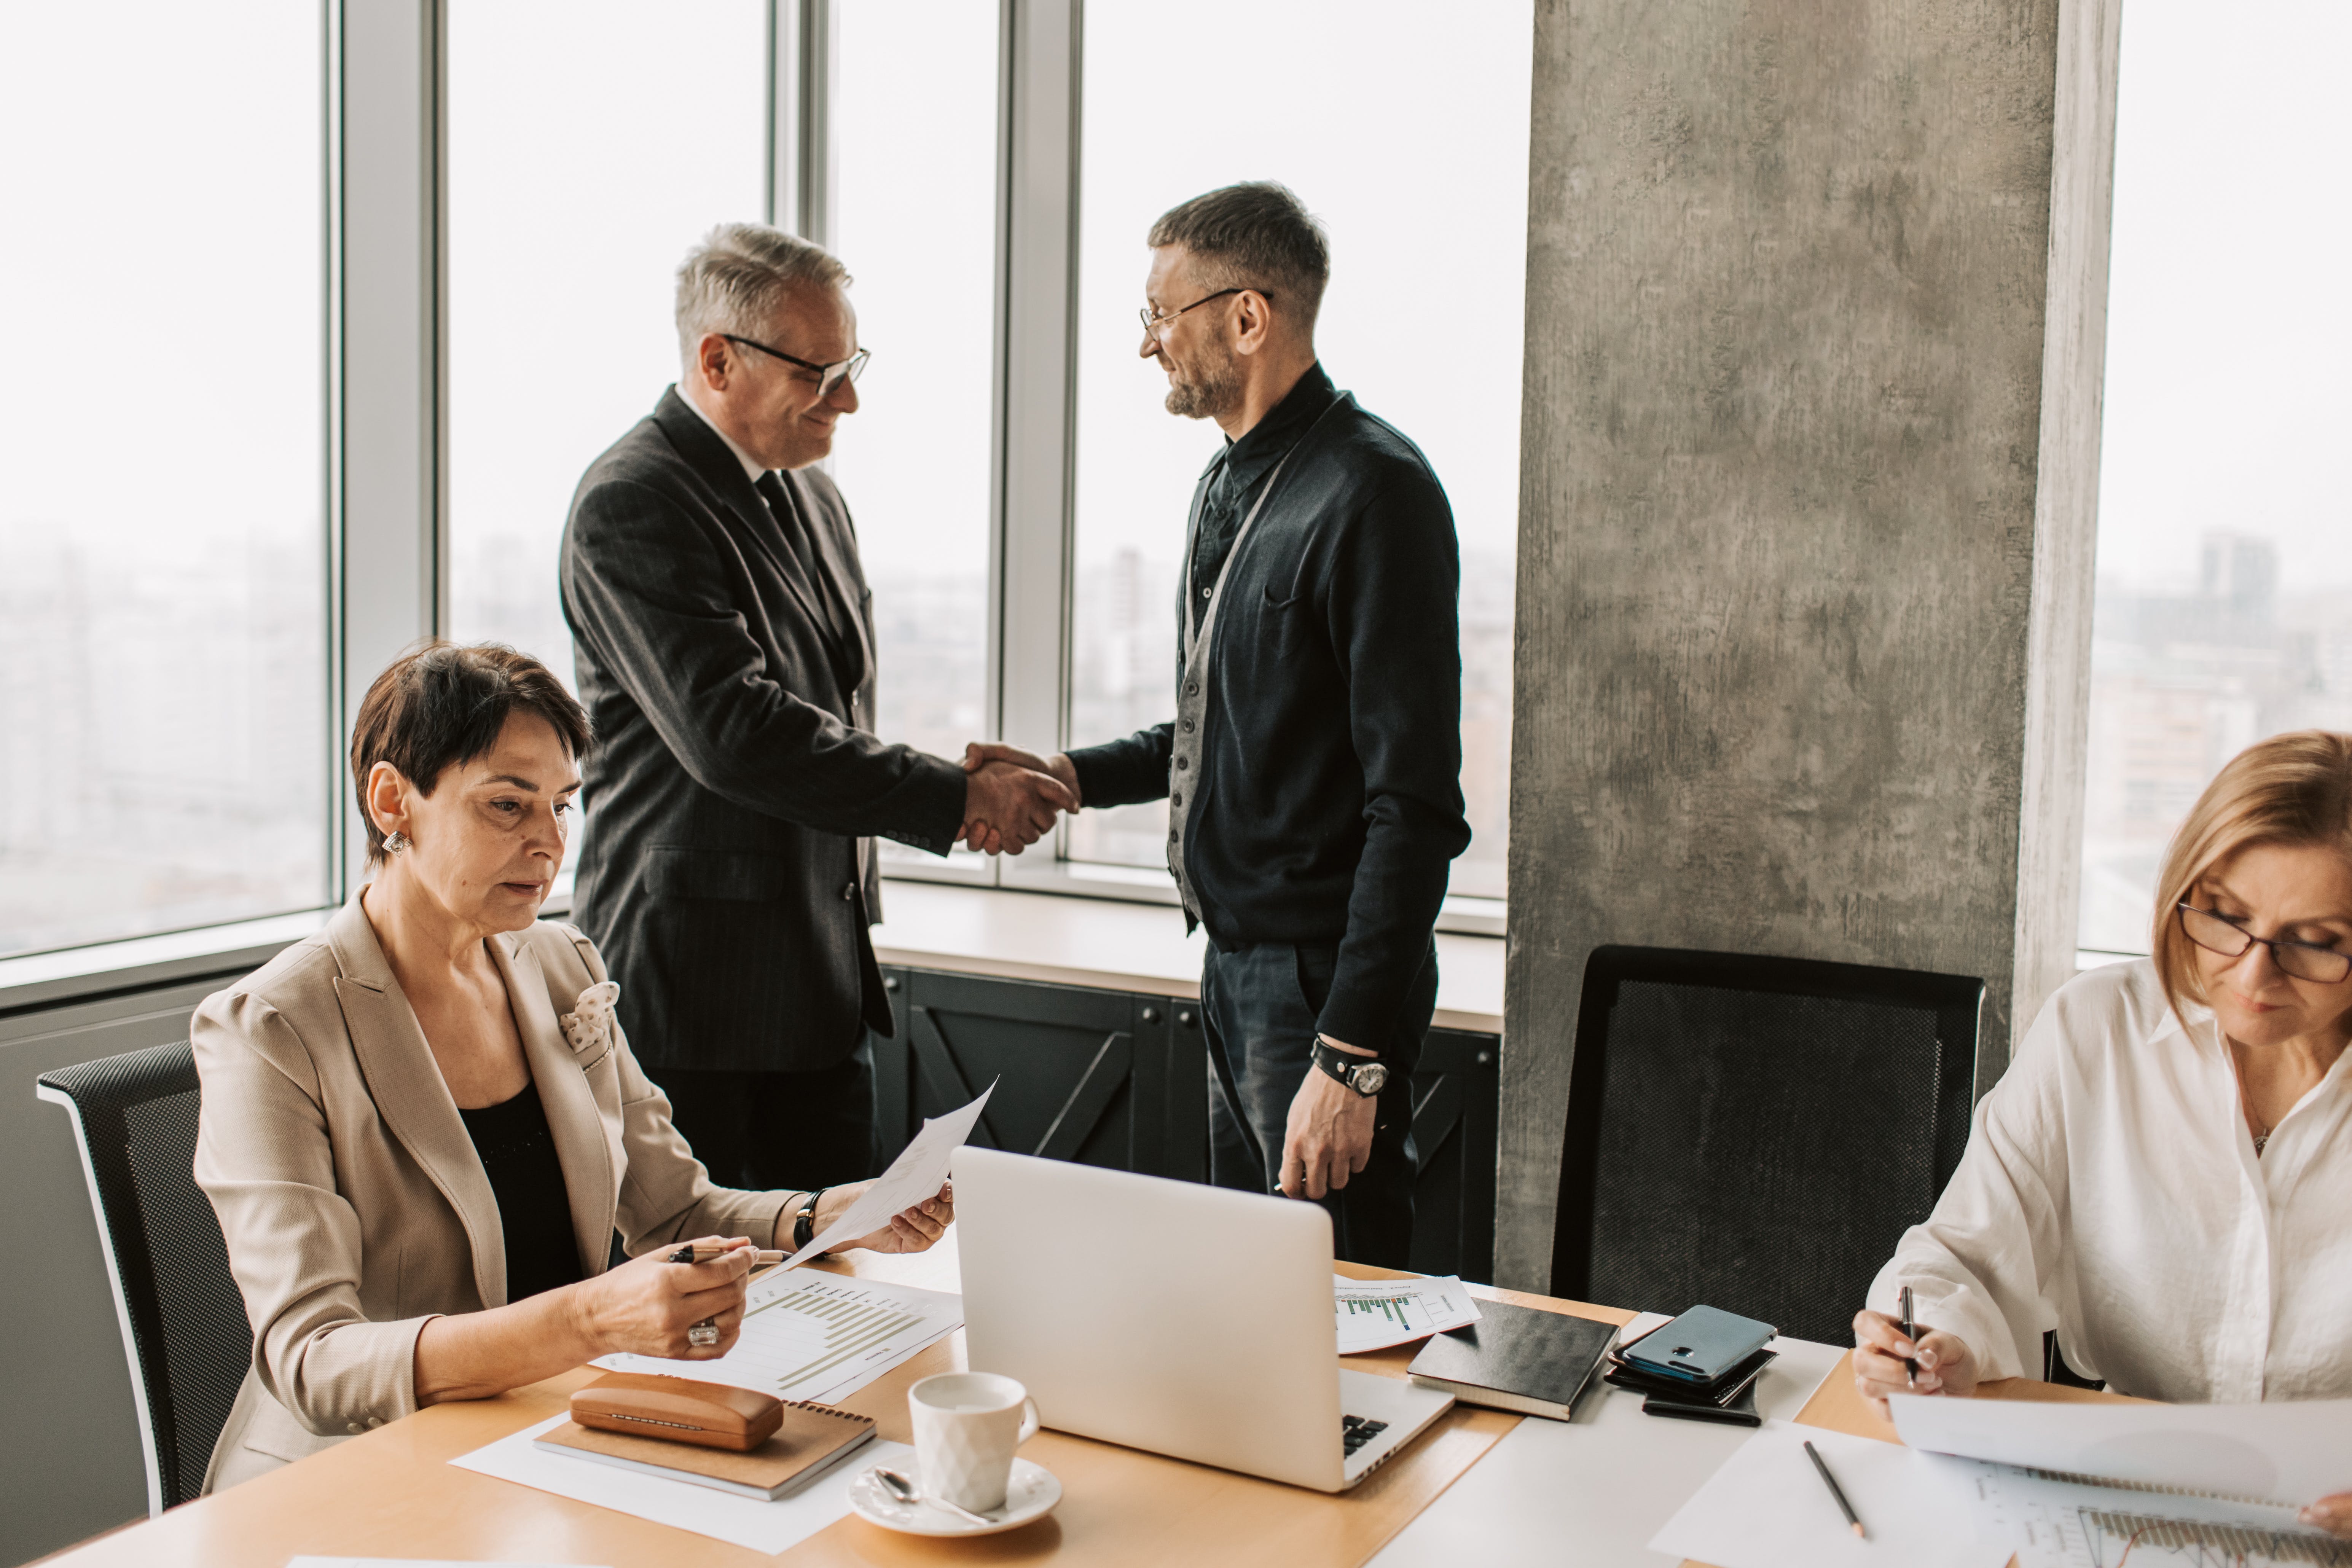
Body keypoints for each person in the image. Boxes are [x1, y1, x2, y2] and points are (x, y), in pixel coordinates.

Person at [190, 643, 953, 1493]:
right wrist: (590, 1318)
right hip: (360, 1477)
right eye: (508, 805)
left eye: (562, 805)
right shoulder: (271, 1025)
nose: (550, 842)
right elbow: (314, 1360)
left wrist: (822, 1216)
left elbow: (676, 1210)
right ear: (391, 800)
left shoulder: (561, 966)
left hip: (549, 1436)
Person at [968, 183, 1469, 1266]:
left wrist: (1351, 1057)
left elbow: (1415, 807)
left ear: (1247, 317)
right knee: (1255, 1299)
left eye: (1161, 314)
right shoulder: (1225, 485)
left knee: (1342, 1311)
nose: (1148, 345)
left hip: (1319, 992)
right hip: (1233, 973)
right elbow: (1217, 727)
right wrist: (1068, 774)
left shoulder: (1375, 493)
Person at [561, 223, 1073, 1192]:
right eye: (822, 370)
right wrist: (952, 795)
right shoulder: (631, 501)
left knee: (842, 1279)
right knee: (713, 1319)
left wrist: (970, 784)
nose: (850, 397)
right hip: (696, 1011)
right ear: (717, 360)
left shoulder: (815, 498)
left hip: (823, 989)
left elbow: (831, 708)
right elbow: (737, 734)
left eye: (853, 363)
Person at [1852, 730, 2352, 1538]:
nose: (2253, 975)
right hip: (2122, 1499)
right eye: (2225, 917)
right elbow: (1965, 1253)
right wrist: (1932, 1342)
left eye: (2315, 942)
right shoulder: (2098, 1027)